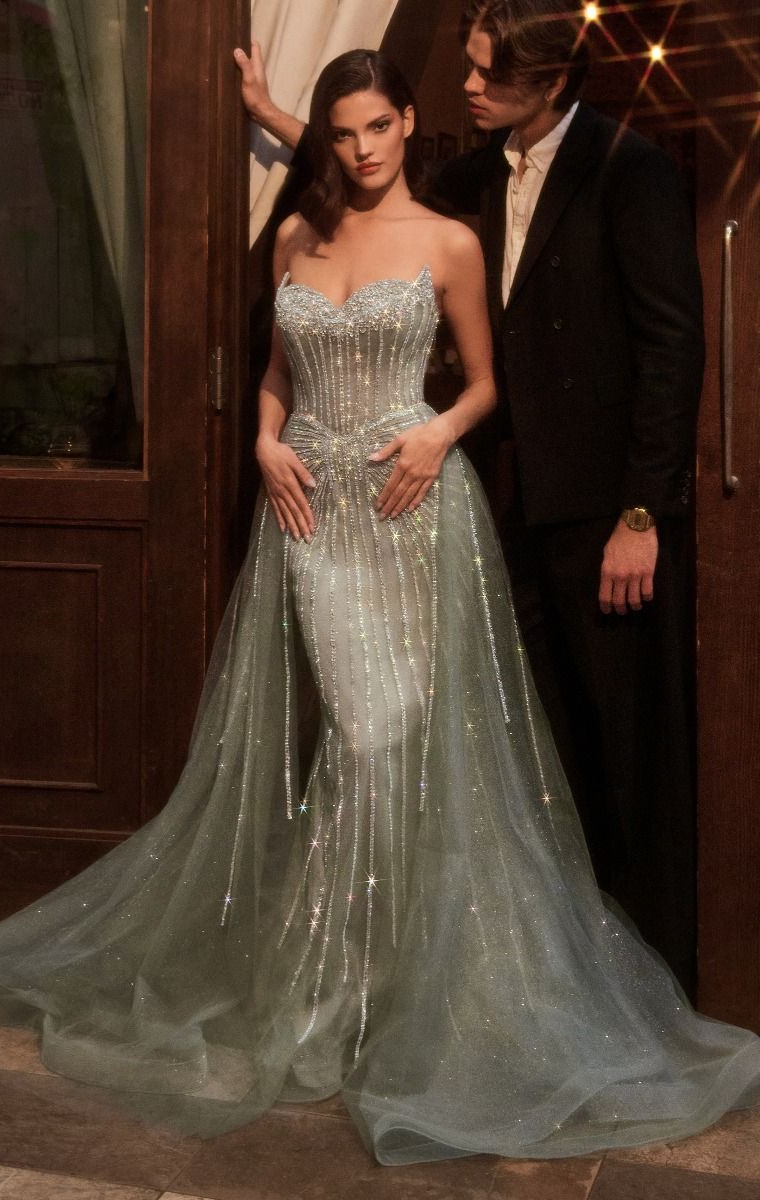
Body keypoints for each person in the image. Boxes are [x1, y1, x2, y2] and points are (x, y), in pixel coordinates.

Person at [0, 47, 758, 1169]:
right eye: (342, 132)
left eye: (380, 126)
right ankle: (338, 979)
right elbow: (277, 372)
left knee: (392, 742)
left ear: (408, 123)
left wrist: (437, 432)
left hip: (411, 509)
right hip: (313, 518)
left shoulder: (449, 239)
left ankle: (395, 987)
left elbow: (485, 383)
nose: (363, 148)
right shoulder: (295, 235)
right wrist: (261, 438)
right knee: (355, 733)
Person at [234, 0, 704, 996]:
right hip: (497, 498)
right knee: (524, 742)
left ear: (549, 81)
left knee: (621, 744)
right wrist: (276, 116)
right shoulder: (478, 172)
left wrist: (642, 513)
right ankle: (428, 958)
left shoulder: (628, 170)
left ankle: (642, 979)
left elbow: (672, 351)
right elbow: (360, 162)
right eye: (472, 68)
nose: (469, 85)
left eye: (489, 73)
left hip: (598, 509)